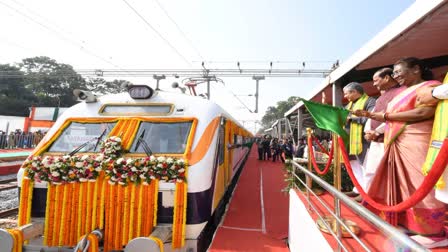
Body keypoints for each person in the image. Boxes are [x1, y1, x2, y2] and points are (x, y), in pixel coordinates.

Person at [365, 57, 446, 248]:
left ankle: (433, 232)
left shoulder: (429, 86)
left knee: (421, 185)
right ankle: (409, 223)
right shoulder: (404, 91)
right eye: (394, 73)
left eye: (399, 71)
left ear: (416, 69)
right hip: (398, 143)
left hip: (418, 142)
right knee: (404, 186)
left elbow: (422, 113)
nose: (396, 76)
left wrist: (385, 116)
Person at [354, 68, 405, 199]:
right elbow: (372, 116)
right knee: (371, 171)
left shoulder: (402, 93)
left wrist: (376, 132)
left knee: (389, 175)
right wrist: (368, 132)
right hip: (375, 140)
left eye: (376, 81)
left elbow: (395, 116)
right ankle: (369, 198)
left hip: (390, 140)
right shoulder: (381, 96)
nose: (374, 84)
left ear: (387, 78)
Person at [343, 82, 376, 197]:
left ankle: (367, 193)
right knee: (354, 166)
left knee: (366, 167)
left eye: (346, 94)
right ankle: (358, 189)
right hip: (350, 141)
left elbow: (372, 117)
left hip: (364, 141)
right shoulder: (348, 106)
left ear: (354, 92)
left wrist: (351, 119)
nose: (345, 97)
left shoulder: (370, 101)